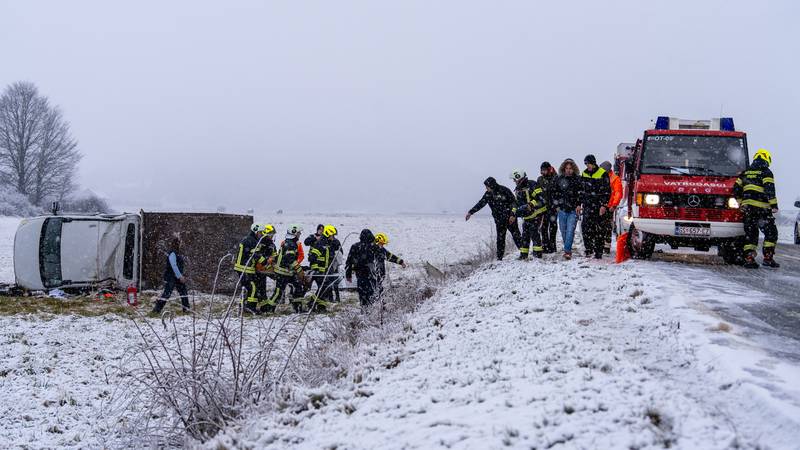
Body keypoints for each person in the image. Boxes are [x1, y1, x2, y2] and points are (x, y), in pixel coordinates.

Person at [733, 148, 780, 269]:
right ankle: (768, 258)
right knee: (771, 233)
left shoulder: (745, 172)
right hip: (763, 210)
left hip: (748, 210)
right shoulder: (766, 172)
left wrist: (741, 203)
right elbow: (770, 189)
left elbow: (736, 189)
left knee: (751, 234)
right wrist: (774, 206)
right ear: (766, 159)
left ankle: (749, 259)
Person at [466, 177, 521, 260]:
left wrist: (513, 215)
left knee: (516, 236)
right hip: (499, 220)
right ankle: (499, 258)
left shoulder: (504, 190)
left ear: (492, 185)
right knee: (500, 239)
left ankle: (524, 253)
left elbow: (514, 203)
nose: (486, 188)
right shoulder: (488, 194)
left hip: (510, 219)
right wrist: (471, 212)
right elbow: (481, 203)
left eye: (487, 186)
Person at [267, 225, 307, 313]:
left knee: (298, 288)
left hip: (288, 272)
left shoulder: (288, 242)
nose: (300, 234)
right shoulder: (291, 244)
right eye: (298, 233)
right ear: (294, 233)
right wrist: (299, 270)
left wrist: (299, 268)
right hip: (283, 273)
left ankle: (298, 307)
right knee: (278, 293)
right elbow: (290, 260)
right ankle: (269, 308)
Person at [510, 169, 547, 259]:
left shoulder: (532, 184)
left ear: (519, 177)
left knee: (535, 234)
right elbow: (516, 203)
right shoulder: (518, 189)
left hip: (536, 215)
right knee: (525, 236)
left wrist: (531, 204)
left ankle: (537, 255)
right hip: (526, 216)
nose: (514, 181)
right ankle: (523, 255)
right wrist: (513, 213)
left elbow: (541, 198)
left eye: (515, 179)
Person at [579, 154, 611, 259]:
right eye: (586, 164)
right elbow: (581, 191)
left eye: (588, 163)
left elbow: (607, 191)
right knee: (586, 228)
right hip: (588, 206)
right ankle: (588, 249)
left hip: (598, 206)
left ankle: (598, 252)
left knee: (599, 230)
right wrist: (579, 204)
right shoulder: (584, 173)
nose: (587, 166)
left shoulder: (602, 174)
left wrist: (603, 205)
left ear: (593, 163)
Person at [551, 159, 583, 260]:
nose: (569, 170)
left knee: (570, 230)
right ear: (563, 169)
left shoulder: (578, 179)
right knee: (563, 230)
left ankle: (567, 251)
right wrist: (556, 206)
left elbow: (581, 193)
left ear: (574, 169)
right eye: (567, 168)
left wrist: (579, 204)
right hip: (562, 210)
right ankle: (567, 246)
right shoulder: (558, 179)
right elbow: (554, 193)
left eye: (570, 168)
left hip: (573, 210)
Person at [151, 237, 190, 314]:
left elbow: (178, 266)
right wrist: (180, 276)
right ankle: (156, 310)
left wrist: (180, 275)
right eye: (180, 242)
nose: (181, 244)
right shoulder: (172, 253)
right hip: (171, 277)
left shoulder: (178, 253)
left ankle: (186, 310)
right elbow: (174, 266)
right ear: (177, 244)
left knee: (184, 293)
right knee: (166, 294)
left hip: (177, 277)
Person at [234, 224, 267, 314]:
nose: (262, 234)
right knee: (252, 286)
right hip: (244, 268)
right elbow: (256, 255)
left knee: (246, 287)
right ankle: (250, 307)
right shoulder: (251, 241)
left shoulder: (250, 239)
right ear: (256, 231)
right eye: (261, 232)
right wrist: (265, 261)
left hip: (245, 268)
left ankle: (243, 306)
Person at [307, 224, 341, 312]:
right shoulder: (320, 243)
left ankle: (321, 307)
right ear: (327, 233)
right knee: (324, 287)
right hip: (319, 271)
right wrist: (316, 270)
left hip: (326, 271)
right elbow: (312, 258)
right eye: (332, 235)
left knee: (326, 288)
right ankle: (312, 302)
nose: (333, 237)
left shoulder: (329, 243)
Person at [346, 229, 380, 310]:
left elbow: (349, 262)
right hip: (372, 274)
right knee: (372, 293)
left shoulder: (355, 246)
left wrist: (348, 274)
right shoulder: (374, 247)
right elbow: (381, 260)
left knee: (362, 294)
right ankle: (371, 310)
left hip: (360, 274)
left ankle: (364, 309)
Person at [600, 161, 623, 254]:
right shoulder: (612, 178)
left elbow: (618, 193)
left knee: (606, 226)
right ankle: (603, 245)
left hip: (608, 207)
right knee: (603, 226)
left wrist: (614, 205)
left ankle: (606, 246)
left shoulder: (615, 179)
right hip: (603, 205)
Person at [373, 232, 406, 297]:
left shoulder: (381, 250)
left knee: (379, 290)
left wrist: (401, 262)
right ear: (378, 242)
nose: (382, 245)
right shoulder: (374, 250)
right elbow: (389, 258)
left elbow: (390, 256)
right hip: (375, 275)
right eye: (382, 244)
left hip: (379, 275)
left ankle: (380, 301)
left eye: (383, 244)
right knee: (377, 291)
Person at [537, 162, 559, 254]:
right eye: (542, 170)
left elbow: (559, 192)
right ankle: (545, 246)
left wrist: (557, 204)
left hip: (553, 207)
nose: (543, 172)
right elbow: (537, 192)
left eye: (545, 170)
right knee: (543, 227)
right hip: (543, 208)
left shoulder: (556, 178)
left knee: (553, 227)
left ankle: (553, 246)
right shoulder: (540, 179)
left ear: (549, 169)